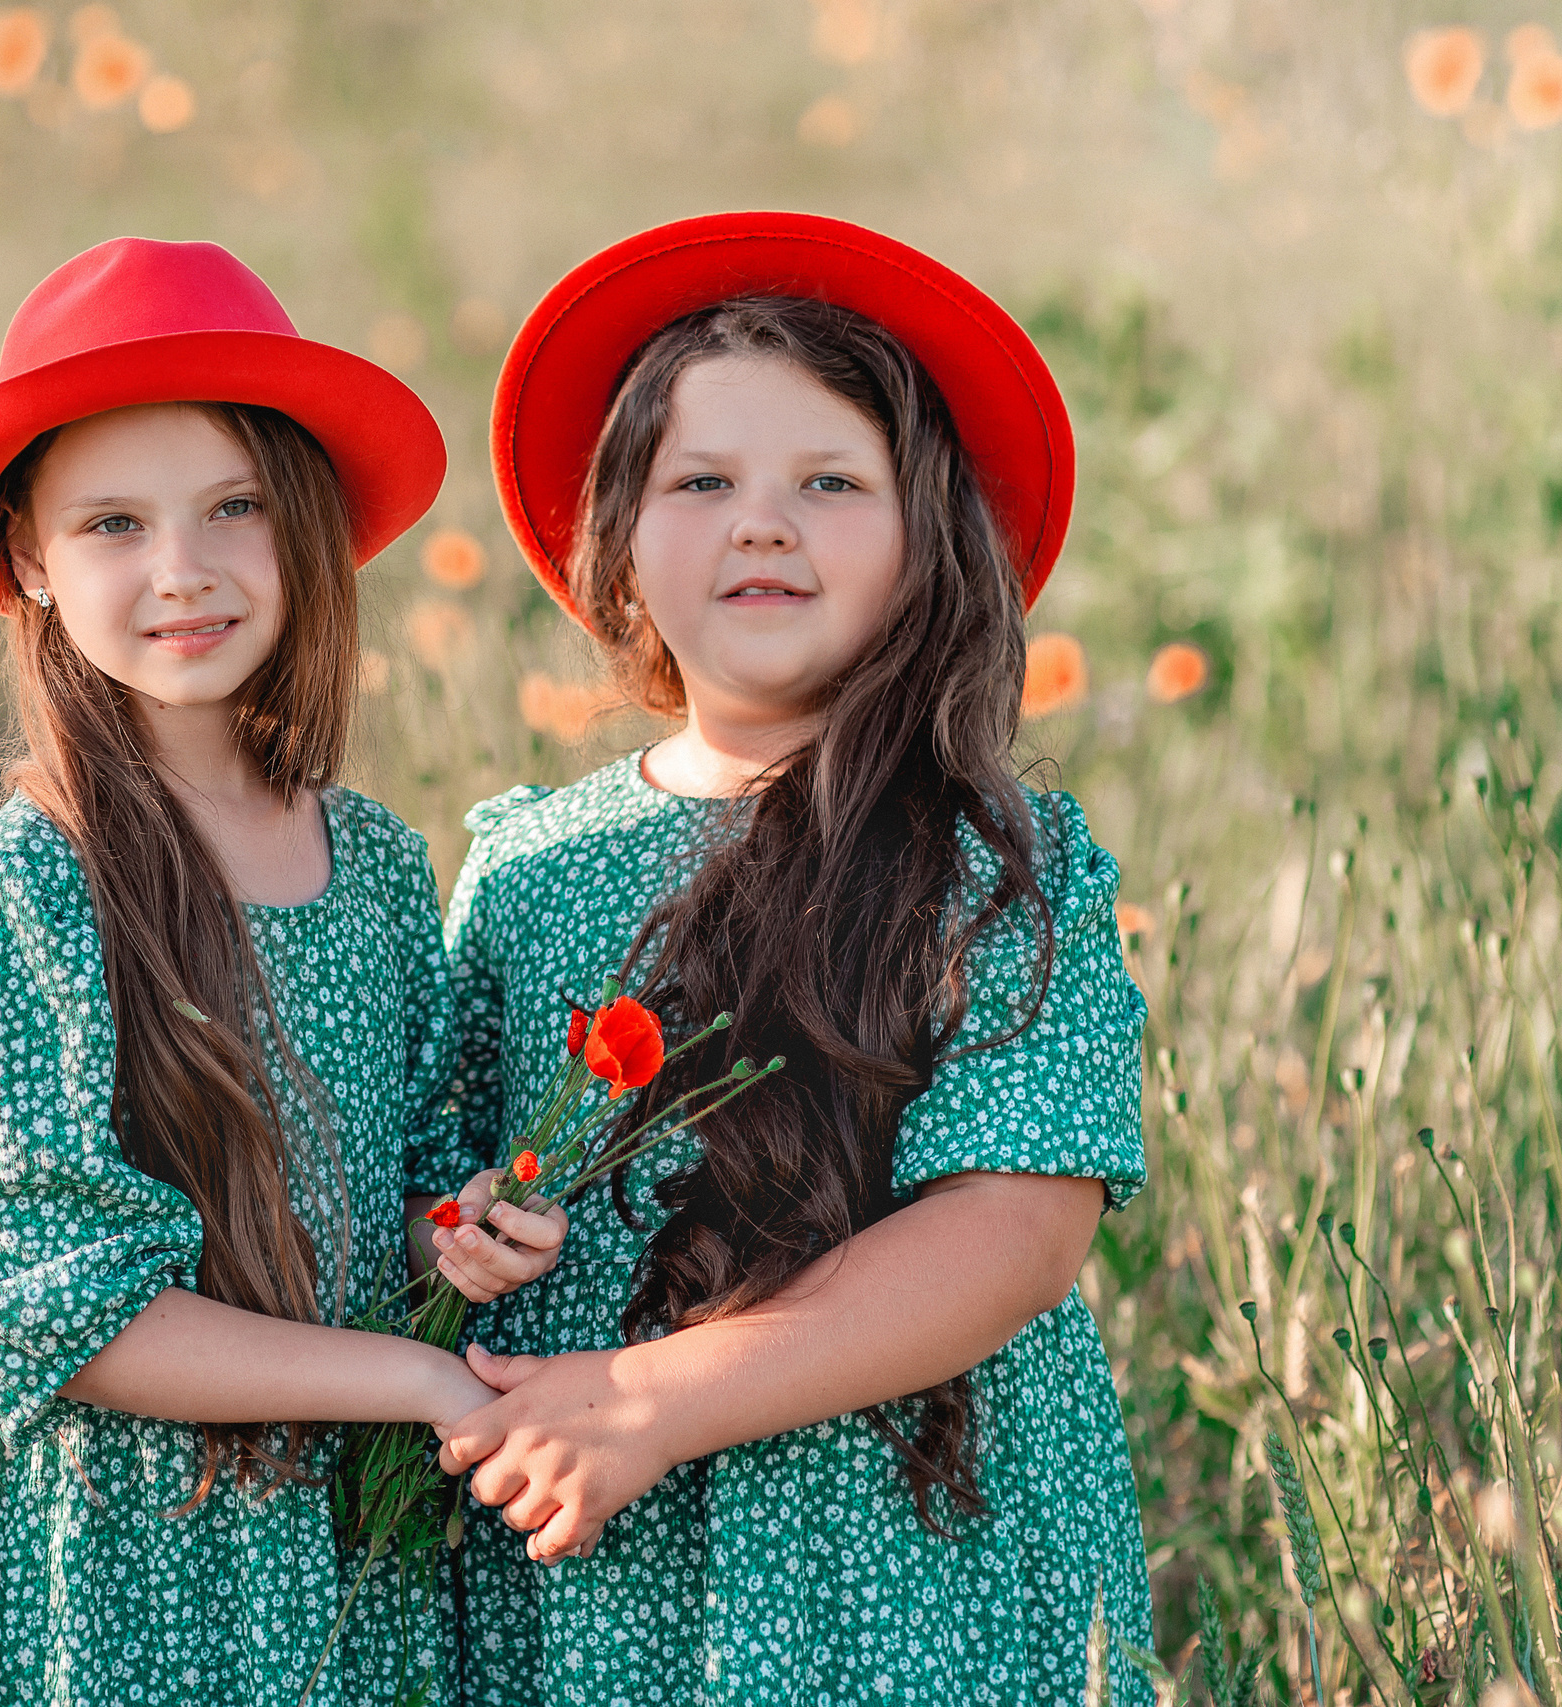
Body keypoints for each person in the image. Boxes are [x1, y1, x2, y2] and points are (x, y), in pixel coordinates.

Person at [430, 212, 1151, 1703]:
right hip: (607, 1572)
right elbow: (449, 1168)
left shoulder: (988, 861)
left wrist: (653, 1400)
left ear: (926, 546)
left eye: (830, 483)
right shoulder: (524, 866)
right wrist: (475, 1225)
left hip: (904, 1570)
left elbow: (1015, 1232)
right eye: (701, 483)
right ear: (621, 548)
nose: (763, 524)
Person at [0, 237, 567, 1707]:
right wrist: (413, 1379)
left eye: (233, 507)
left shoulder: (375, 862)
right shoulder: (37, 882)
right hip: (115, 1554)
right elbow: (57, 1308)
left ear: (302, 525)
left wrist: (457, 1234)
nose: (181, 571)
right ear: (28, 558)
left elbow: (396, 1178)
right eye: (113, 524)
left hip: (323, 1550)